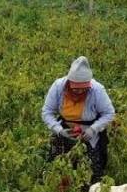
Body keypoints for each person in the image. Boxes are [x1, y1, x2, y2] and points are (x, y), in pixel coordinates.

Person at [42, 56, 115, 184]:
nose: (80, 92)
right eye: (76, 89)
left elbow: (109, 113)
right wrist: (59, 130)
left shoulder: (97, 90)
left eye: (84, 89)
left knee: (91, 171)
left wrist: (93, 129)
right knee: (58, 166)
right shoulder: (58, 87)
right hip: (65, 129)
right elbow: (47, 112)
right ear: (69, 83)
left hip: (88, 132)